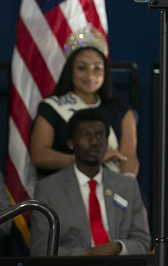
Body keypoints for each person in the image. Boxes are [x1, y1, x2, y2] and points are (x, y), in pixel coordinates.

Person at [30, 108, 150, 257]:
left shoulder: (127, 186)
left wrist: (118, 248)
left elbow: (143, 243)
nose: (94, 142)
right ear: (70, 143)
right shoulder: (48, 188)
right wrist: (89, 256)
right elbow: (41, 249)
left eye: (100, 135)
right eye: (85, 135)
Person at [29, 27, 139, 178]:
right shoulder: (51, 108)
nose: (90, 75)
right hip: (66, 189)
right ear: (70, 70)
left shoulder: (121, 110)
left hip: (111, 189)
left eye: (97, 68)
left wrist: (126, 187)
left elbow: (128, 157)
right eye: (82, 68)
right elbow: (39, 156)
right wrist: (89, 160)